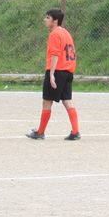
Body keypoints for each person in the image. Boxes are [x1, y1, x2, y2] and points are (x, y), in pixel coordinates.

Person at [27, 8, 80, 141]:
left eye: (48, 18)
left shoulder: (55, 34)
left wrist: (51, 74)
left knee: (47, 102)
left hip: (57, 71)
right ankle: (75, 131)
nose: (45, 20)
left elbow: (55, 55)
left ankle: (40, 132)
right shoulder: (66, 33)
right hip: (68, 71)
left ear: (55, 21)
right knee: (67, 101)